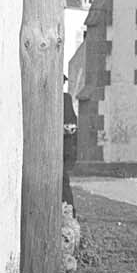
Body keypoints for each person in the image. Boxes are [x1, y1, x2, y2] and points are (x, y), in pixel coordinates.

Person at [62, 75, 79, 217]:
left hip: (62, 149)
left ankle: (69, 214)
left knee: (62, 180)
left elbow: (71, 126)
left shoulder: (65, 99)